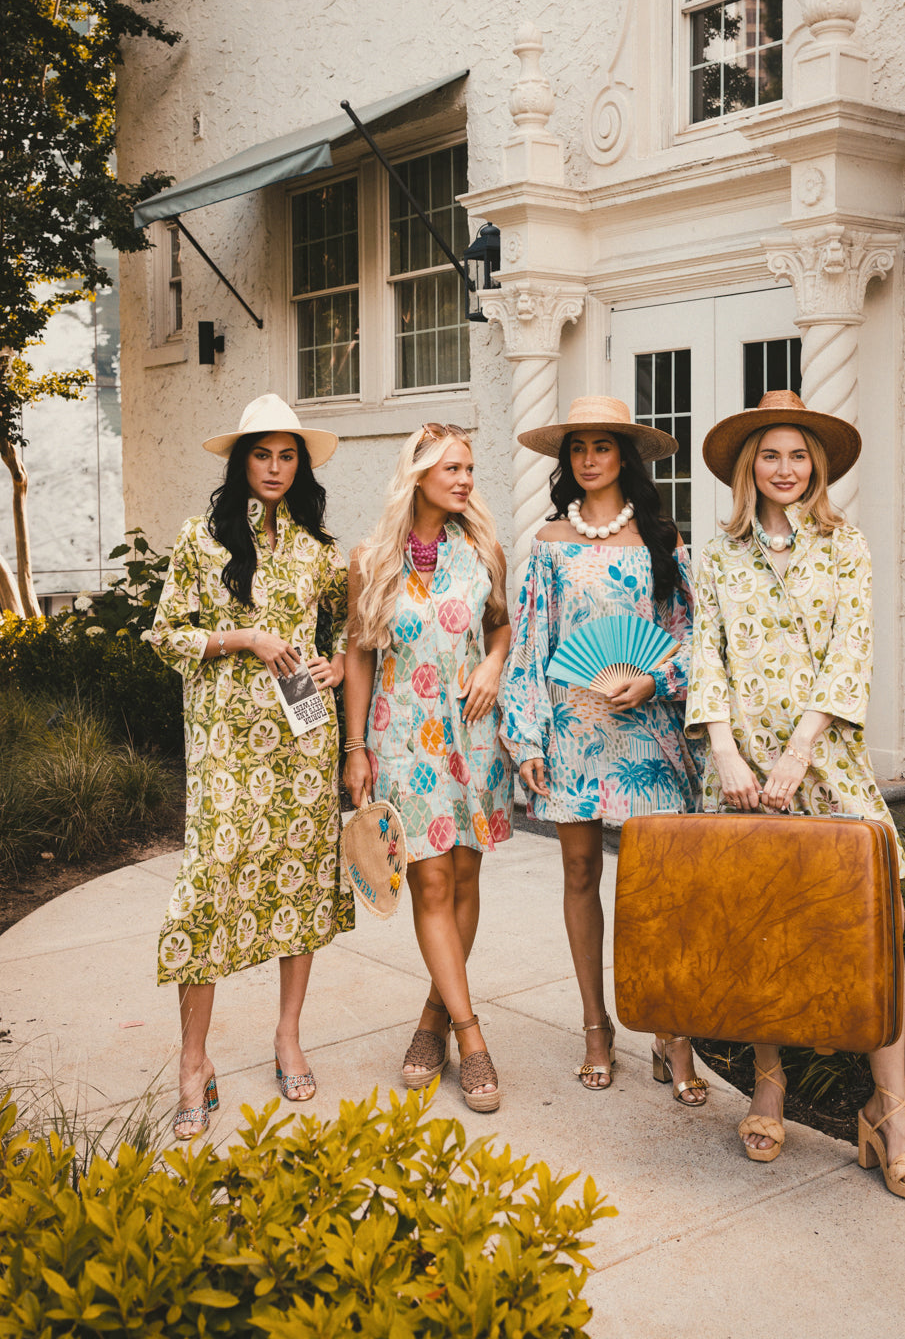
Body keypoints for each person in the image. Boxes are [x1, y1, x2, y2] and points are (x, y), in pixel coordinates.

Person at [686, 388, 905, 1199]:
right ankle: (768, 1086)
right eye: (769, 455)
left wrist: (799, 753)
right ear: (746, 468)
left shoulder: (845, 545)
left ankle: (888, 1111)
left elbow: (850, 656)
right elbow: (705, 655)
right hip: (741, 768)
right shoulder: (716, 554)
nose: (784, 468)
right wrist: (725, 751)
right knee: (761, 925)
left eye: (797, 455)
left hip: (820, 761)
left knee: (875, 929)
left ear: (815, 466)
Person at [151, 394, 351, 1141]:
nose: (274, 467)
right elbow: (165, 635)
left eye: (287, 455)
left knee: (297, 881)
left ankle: (287, 1035)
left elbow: (351, 633)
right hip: (226, 747)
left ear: (301, 465)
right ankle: (192, 1062)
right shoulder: (201, 540)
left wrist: (331, 667)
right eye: (262, 454)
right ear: (241, 463)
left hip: (301, 739)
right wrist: (243, 637)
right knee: (207, 888)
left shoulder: (316, 546)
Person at [501, 397, 705, 1100]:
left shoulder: (660, 539)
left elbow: (692, 634)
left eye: (602, 446)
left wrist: (654, 678)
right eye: (577, 448)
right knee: (581, 875)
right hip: (574, 732)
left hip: (647, 731)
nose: (588, 458)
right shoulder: (550, 540)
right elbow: (530, 643)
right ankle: (596, 1027)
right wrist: (525, 734)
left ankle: (670, 1034)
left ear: (625, 457)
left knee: (657, 889)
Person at [344, 423, 512, 1113]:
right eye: (452, 467)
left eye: (470, 467)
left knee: (465, 875)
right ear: (417, 474)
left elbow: (499, 624)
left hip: (471, 738)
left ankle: (431, 1019)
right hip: (401, 740)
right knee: (431, 883)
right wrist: (353, 747)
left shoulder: (481, 550)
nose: (466, 479)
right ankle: (471, 1038)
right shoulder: (369, 558)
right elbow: (358, 654)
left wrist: (495, 663)